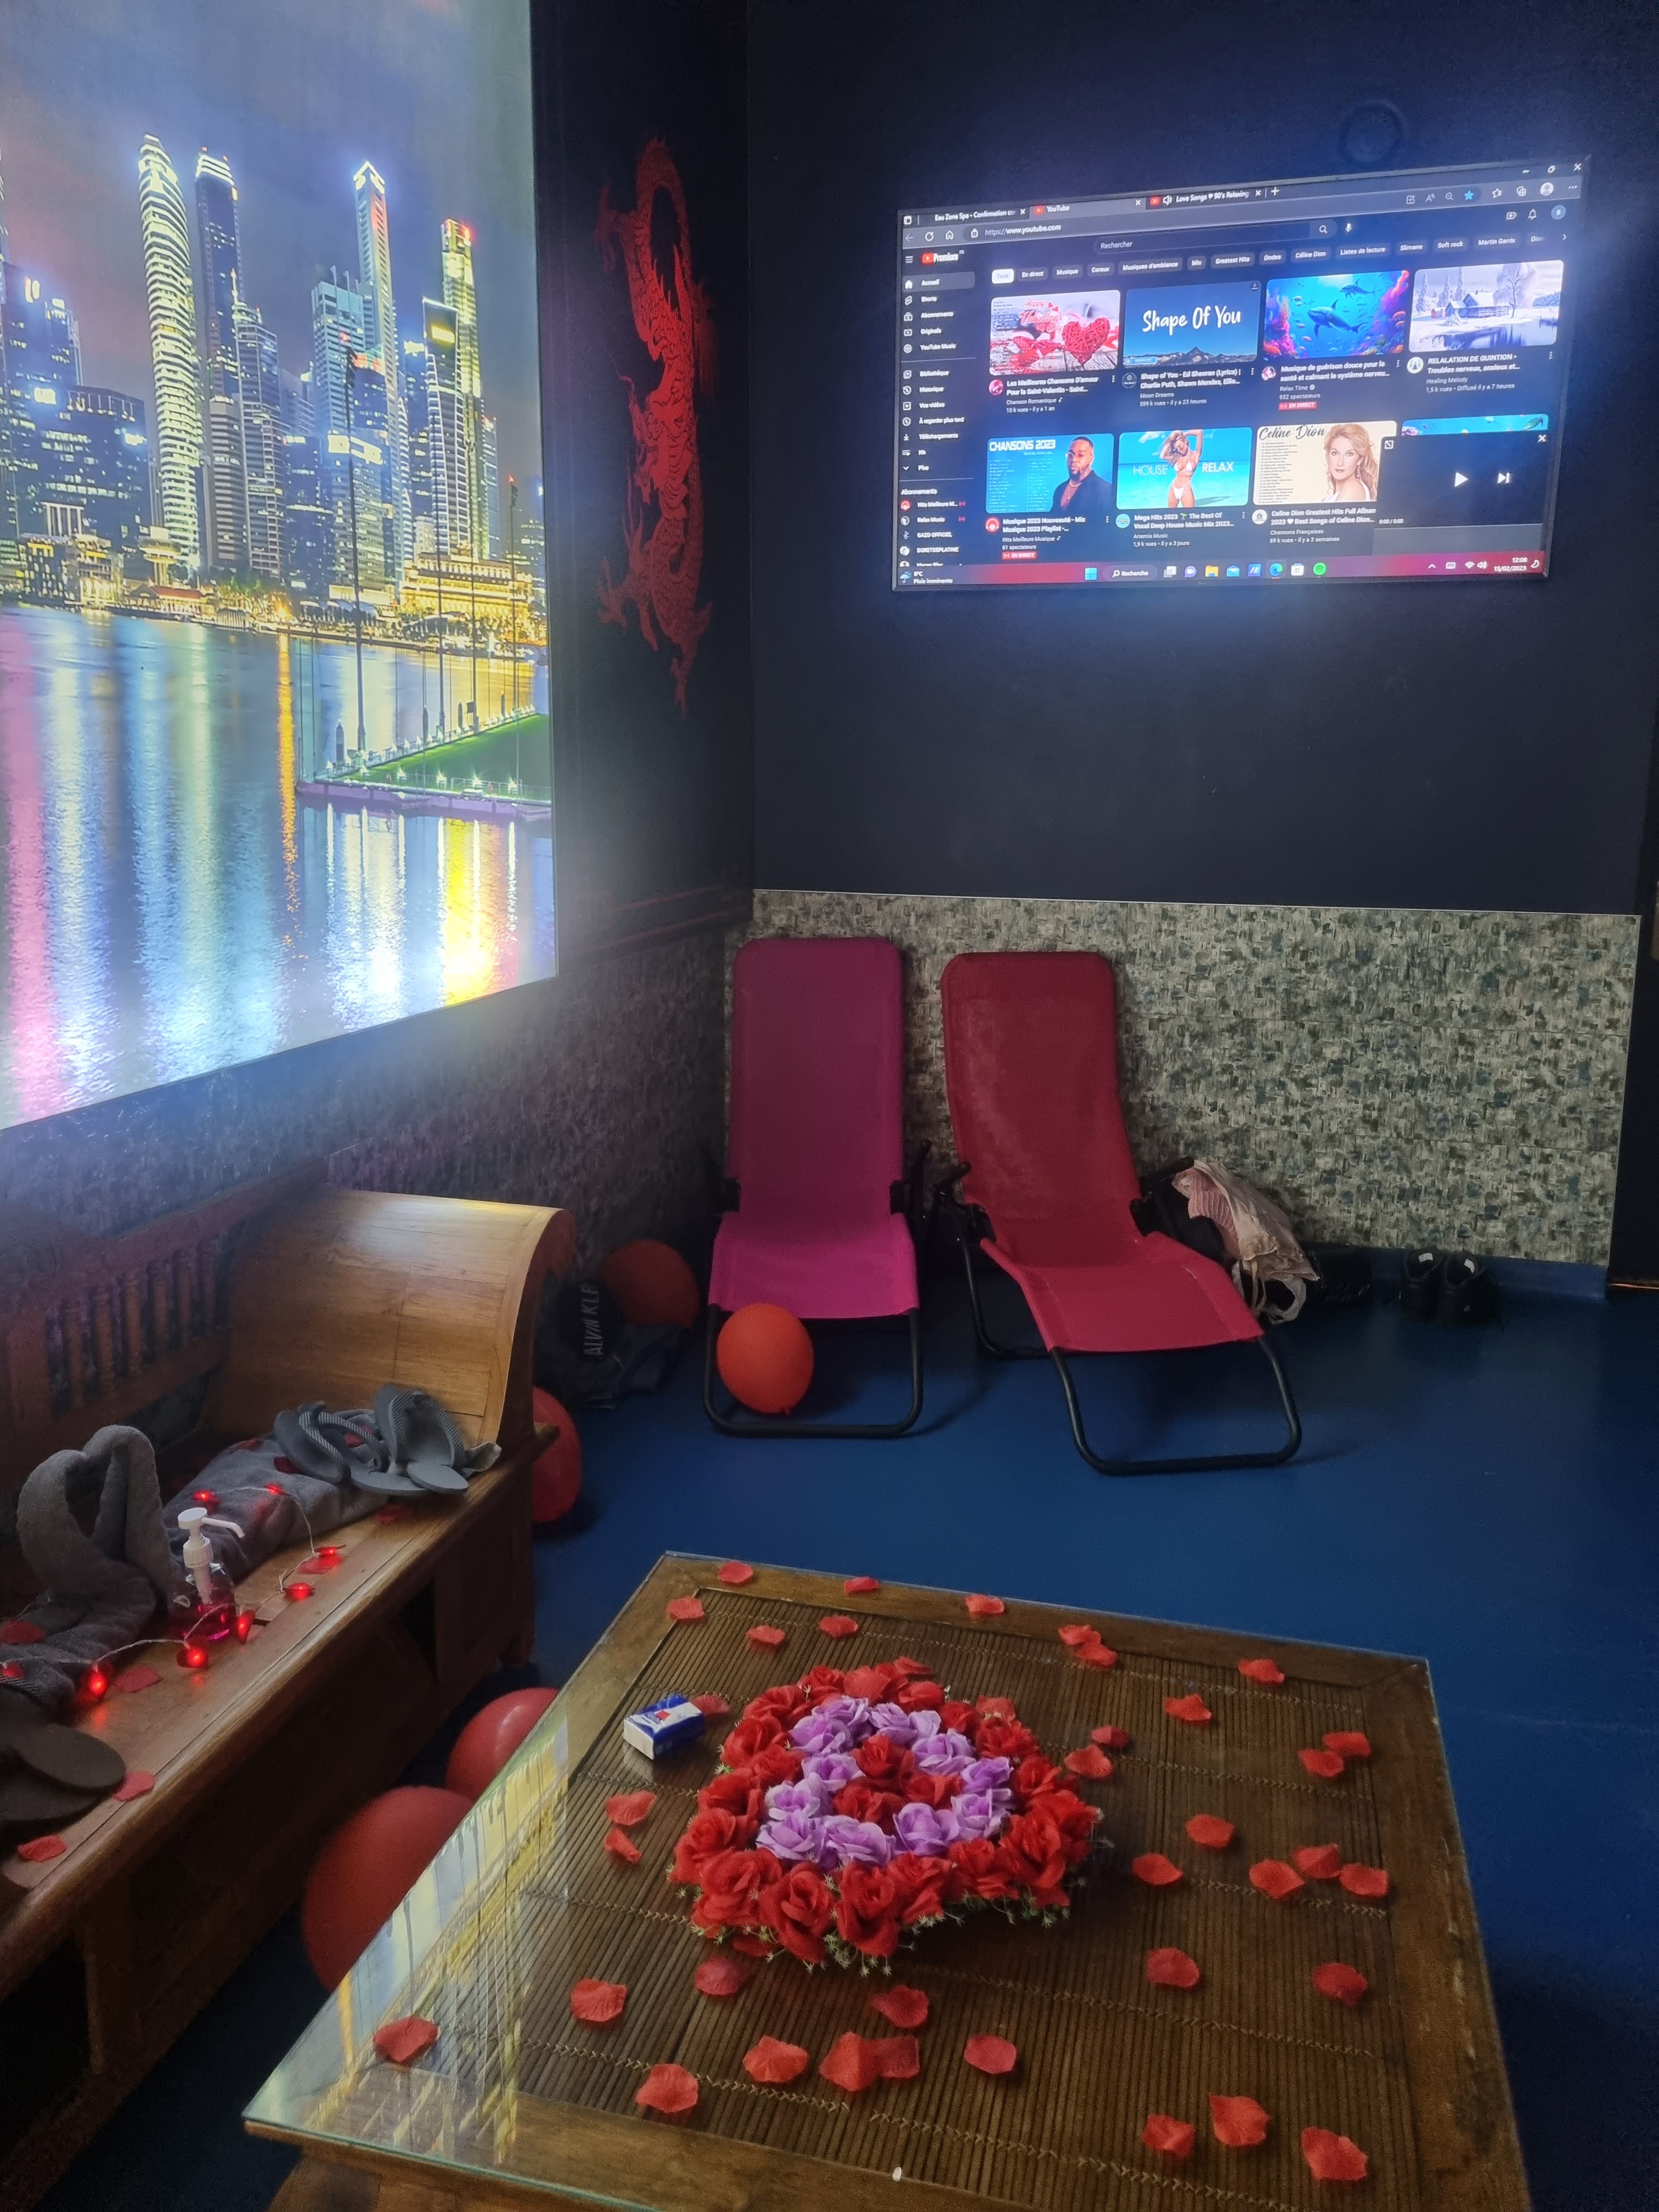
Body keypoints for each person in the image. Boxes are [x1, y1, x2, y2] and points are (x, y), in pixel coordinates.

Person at [1050, 436, 1111, 520]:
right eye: (1070, 455)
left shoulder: (1104, 489)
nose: (1074, 460)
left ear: (1091, 459)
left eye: (1081, 455)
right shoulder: (1060, 489)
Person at [1323, 422, 1378, 501]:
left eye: (1349, 454)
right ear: (1328, 456)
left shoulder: (1353, 487)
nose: (1340, 463)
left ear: (1360, 460)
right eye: (1335, 453)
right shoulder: (1327, 499)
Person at [1161, 428, 1203, 509]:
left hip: (1186, 489)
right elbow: (1162, 456)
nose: (1179, 450)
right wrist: (1171, 442)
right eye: (1177, 449)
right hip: (1173, 487)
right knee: (1170, 514)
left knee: (1190, 514)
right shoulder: (1177, 457)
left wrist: (1185, 434)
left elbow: (1199, 432)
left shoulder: (1196, 455)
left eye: (1180, 446)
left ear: (1185, 442)